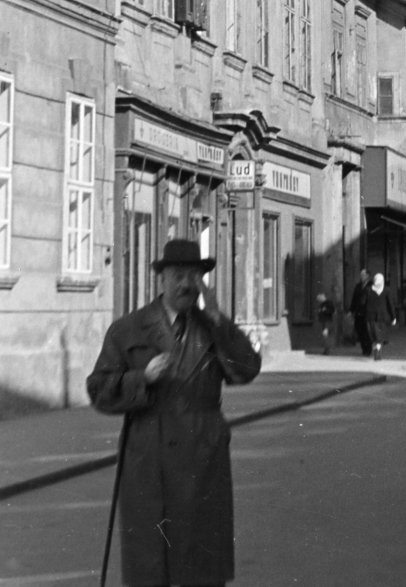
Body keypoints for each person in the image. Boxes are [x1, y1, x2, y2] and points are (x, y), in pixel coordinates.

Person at [86, 238, 261, 587]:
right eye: (178, 275)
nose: (185, 284)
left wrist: (218, 319)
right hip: (149, 460)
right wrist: (141, 379)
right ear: (162, 279)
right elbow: (98, 389)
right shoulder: (128, 329)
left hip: (203, 459)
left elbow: (247, 369)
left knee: (202, 568)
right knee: (151, 567)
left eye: (193, 277)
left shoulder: (211, 327)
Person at [365, 272, 397, 360]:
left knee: (374, 336)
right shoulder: (387, 290)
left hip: (370, 317)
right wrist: (394, 317)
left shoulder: (368, 290)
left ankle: (376, 350)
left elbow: (363, 302)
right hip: (383, 317)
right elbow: (391, 304)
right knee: (380, 336)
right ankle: (378, 350)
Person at [348, 268, 372, 357]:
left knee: (366, 331)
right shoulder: (358, 286)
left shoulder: (371, 285)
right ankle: (363, 348)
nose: (361, 277)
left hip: (367, 312)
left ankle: (368, 349)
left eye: (363, 275)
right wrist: (351, 310)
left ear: (368, 275)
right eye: (361, 275)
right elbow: (354, 299)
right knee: (359, 330)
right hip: (358, 312)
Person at [316, 289, 336, 355]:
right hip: (324, 322)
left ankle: (327, 350)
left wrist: (325, 310)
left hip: (327, 321)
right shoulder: (322, 304)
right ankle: (326, 350)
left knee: (326, 335)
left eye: (319, 298)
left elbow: (332, 310)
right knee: (325, 336)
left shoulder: (328, 303)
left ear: (323, 296)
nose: (319, 300)